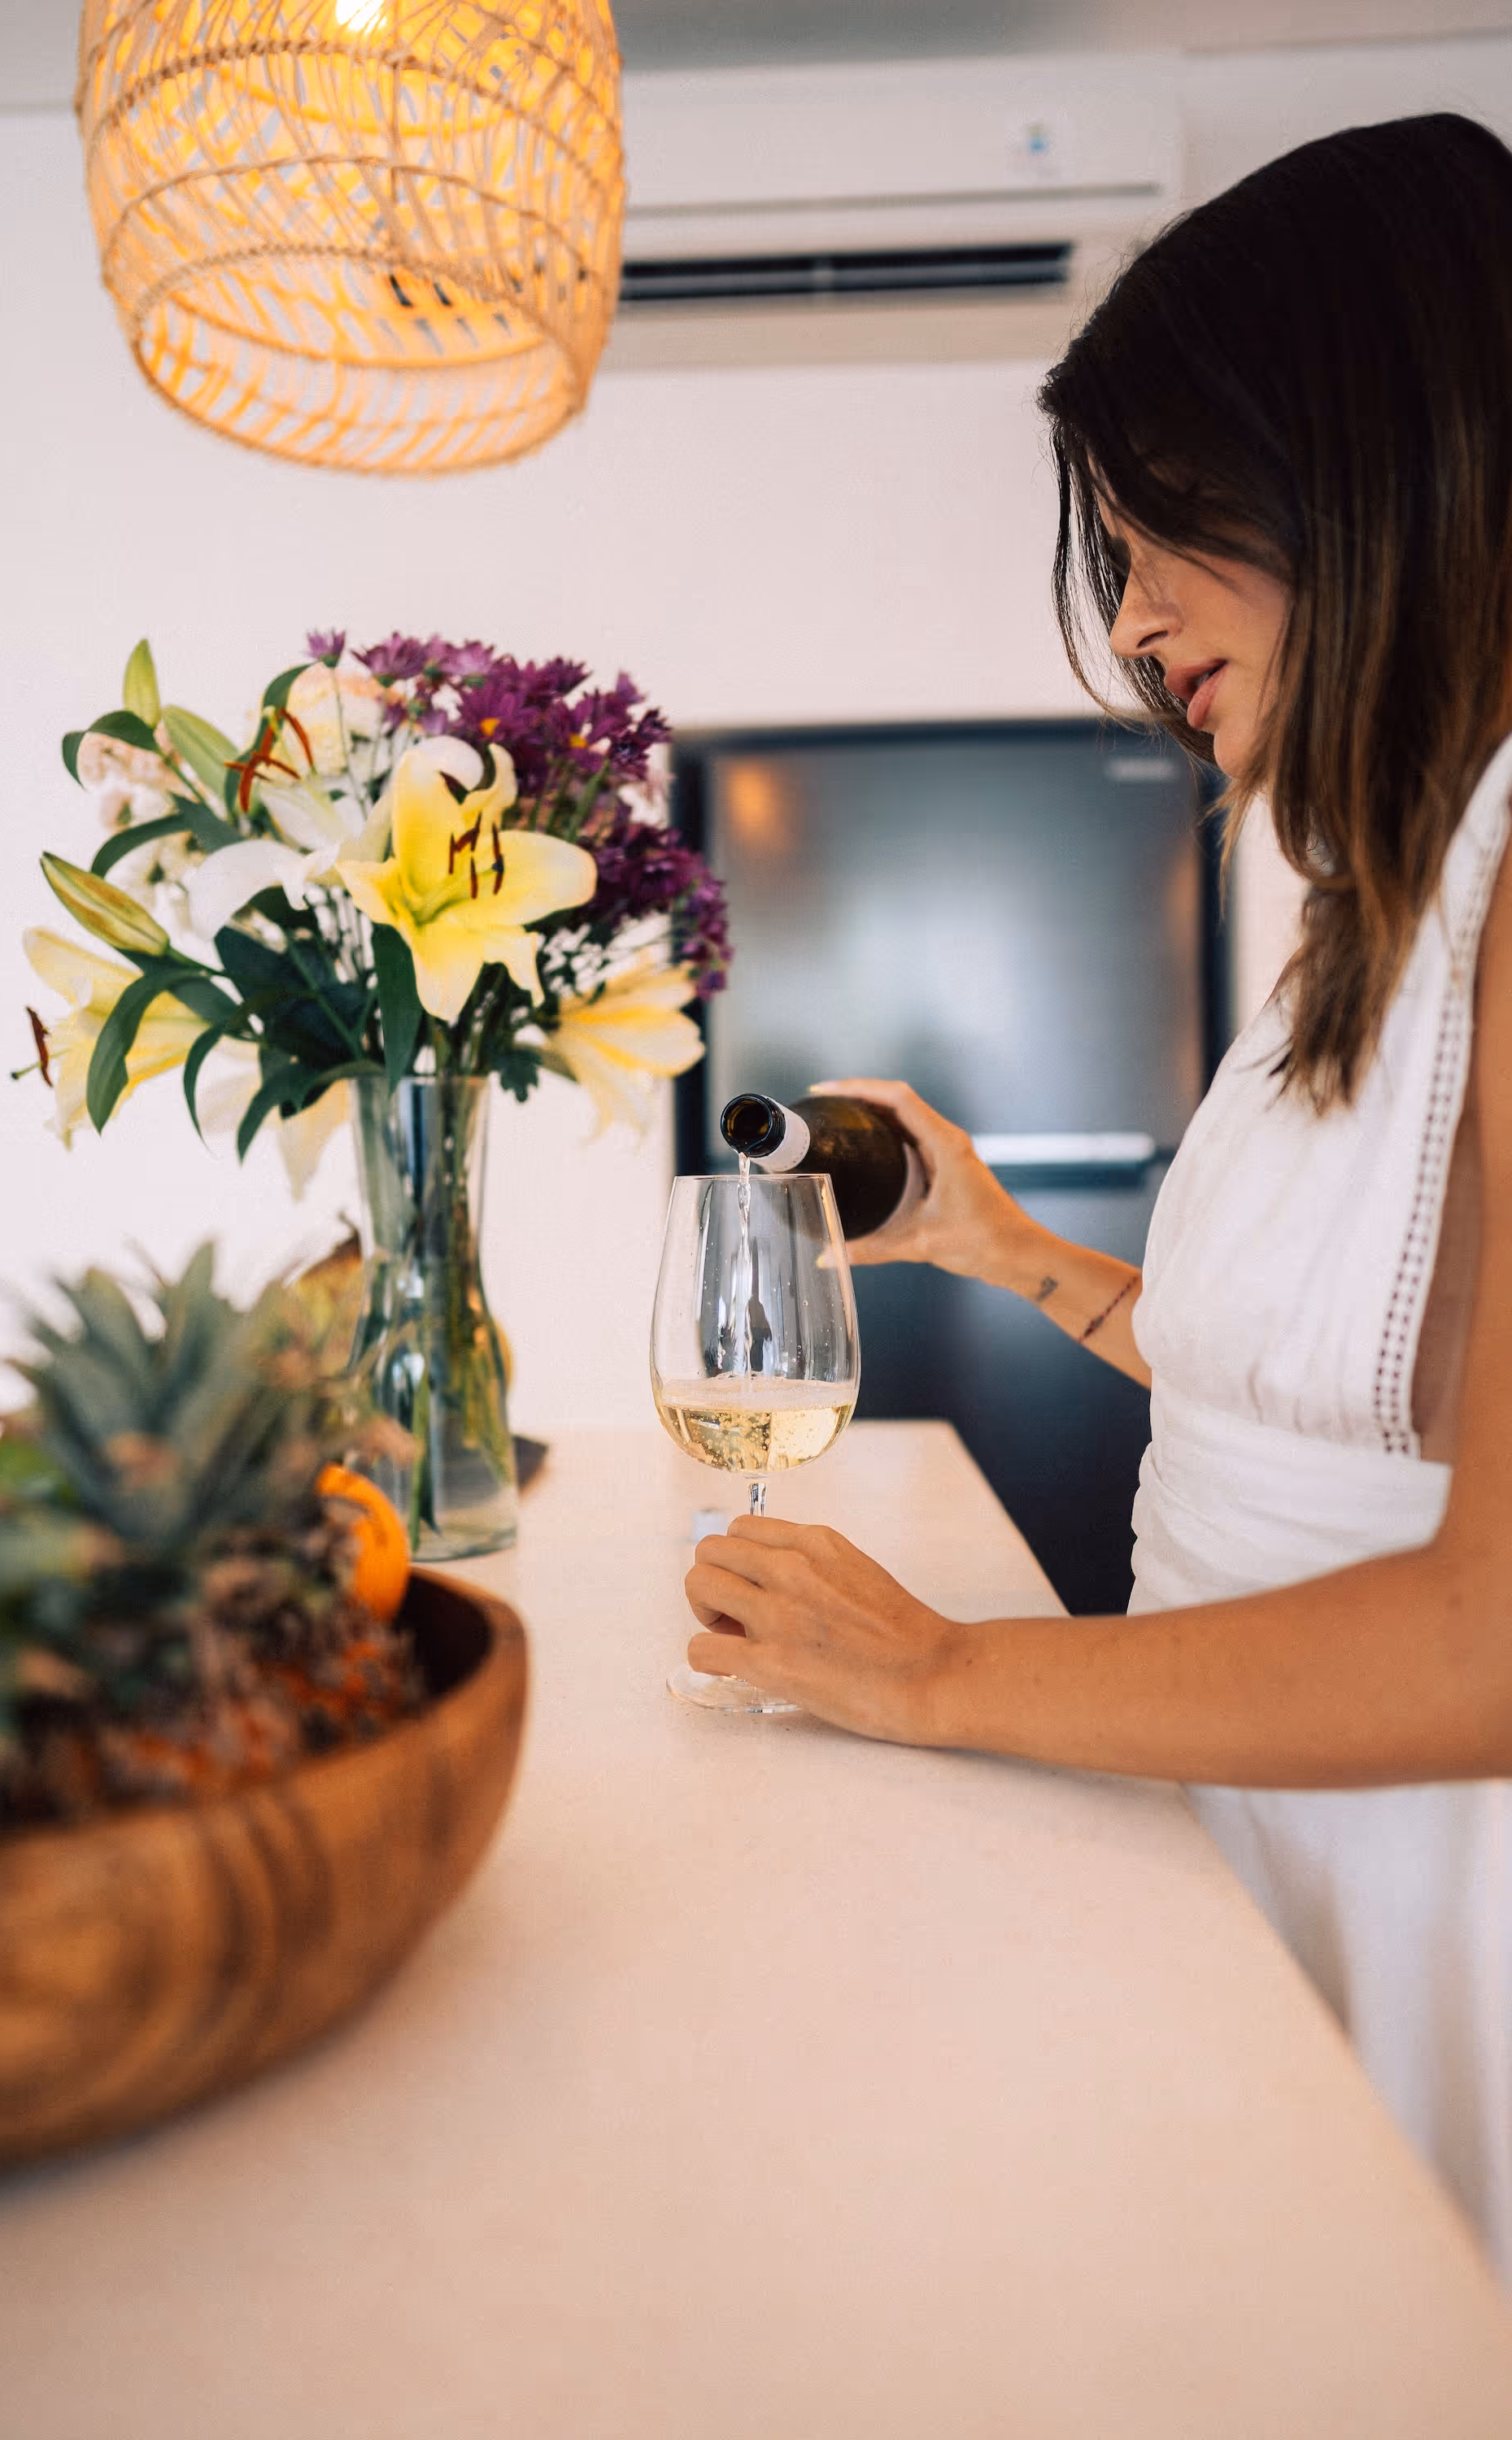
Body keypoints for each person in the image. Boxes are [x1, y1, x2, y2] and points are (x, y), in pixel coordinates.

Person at [683, 111, 1512, 2277]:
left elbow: (1494, 1629)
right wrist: (1004, 1249)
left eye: (1160, 538)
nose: (1134, 625)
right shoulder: (1367, 905)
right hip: (1241, 1809)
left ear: (1375, 452)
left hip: (1428, 1892)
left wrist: (941, 1673)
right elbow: (1318, 1395)